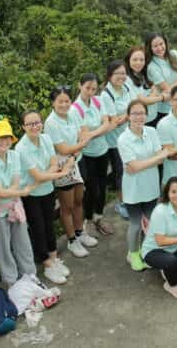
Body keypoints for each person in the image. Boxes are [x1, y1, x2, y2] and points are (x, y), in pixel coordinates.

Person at [16, 110, 73, 285]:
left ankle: (54, 259)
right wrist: (60, 172)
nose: (35, 126)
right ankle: (47, 264)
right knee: (38, 228)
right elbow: (38, 175)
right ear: (23, 127)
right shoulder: (21, 148)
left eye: (37, 122)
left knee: (49, 224)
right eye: (30, 124)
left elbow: (53, 165)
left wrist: (50, 173)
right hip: (31, 194)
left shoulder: (46, 139)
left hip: (47, 189)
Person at [118, 100, 174, 271]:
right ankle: (133, 254)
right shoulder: (123, 139)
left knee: (151, 221)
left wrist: (144, 162)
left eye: (142, 113)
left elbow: (158, 158)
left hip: (151, 186)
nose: (139, 117)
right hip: (133, 189)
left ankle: (146, 251)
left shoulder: (151, 131)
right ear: (128, 116)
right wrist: (156, 158)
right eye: (134, 113)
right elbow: (133, 168)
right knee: (135, 224)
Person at [0, 119, 38, 288]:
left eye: (7, 137)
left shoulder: (14, 155)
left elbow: (14, 183)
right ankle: (11, 282)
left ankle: (30, 275)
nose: (4, 141)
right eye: (0, 138)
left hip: (14, 206)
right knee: (3, 248)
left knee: (23, 241)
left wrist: (13, 192)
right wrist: (21, 192)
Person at [44, 85, 99, 257]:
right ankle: (71, 240)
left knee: (78, 200)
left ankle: (80, 232)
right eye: (60, 101)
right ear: (53, 102)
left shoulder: (73, 112)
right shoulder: (51, 122)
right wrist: (80, 146)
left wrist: (77, 148)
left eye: (67, 100)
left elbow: (84, 131)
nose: (64, 104)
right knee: (66, 205)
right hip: (62, 166)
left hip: (76, 161)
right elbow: (62, 148)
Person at [72, 72, 121, 238]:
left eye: (93, 88)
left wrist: (93, 134)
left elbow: (108, 123)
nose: (91, 91)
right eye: (87, 88)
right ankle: (87, 220)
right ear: (80, 86)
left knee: (102, 187)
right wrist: (101, 129)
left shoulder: (98, 101)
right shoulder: (75, 108)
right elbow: (84, 133)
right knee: (92, 189)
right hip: (87, 155)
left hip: (102, 150)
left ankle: (98, 217)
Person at [100, 60, 132, 218]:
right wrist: (130, 114)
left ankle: (131, 199)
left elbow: (131, 108)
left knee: (130, 169)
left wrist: (127, 116)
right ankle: (123, 203)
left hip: (128, 136)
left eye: (123, 73)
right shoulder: (106, 95)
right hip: (114, 141)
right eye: (117, 74)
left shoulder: (126, 88)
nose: (121, 77)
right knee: (120, 172)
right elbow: (114, 121)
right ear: (110, 75)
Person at [146, 32, 177, 121]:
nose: (160, 48)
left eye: (161, 44)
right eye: (155, 46)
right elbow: (168, 89)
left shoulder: (173, 54)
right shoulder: (151, 66)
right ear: (150, 48)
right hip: (165, 109)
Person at [126, 45, 165, 126]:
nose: (138, 63)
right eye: (135, 60)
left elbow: (155, 88)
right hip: (142, 122)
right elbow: (141, 101)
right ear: (128, 60)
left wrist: (149, 98)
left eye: (141, 60)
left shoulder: (143, 74)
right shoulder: (127, 79)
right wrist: (162, 98)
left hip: (154, 117)